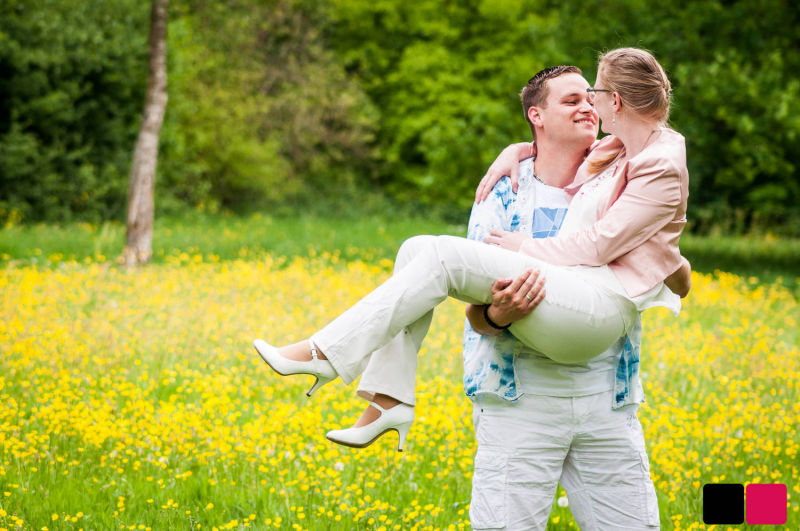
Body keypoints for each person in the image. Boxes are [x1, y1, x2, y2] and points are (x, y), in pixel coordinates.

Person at [253, 48, 689, 460]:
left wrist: (523, 246)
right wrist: (520, 149)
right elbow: (582, 163)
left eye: (591, 95)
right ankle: (389, 398)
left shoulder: (653, 161)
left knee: (443, 255)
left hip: (593, 317)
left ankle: (325, 353)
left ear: (615, 101)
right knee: (416, 249)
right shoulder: (611, 152)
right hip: (555, 317)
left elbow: (614, 243)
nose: (589, 105)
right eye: (574, 99)